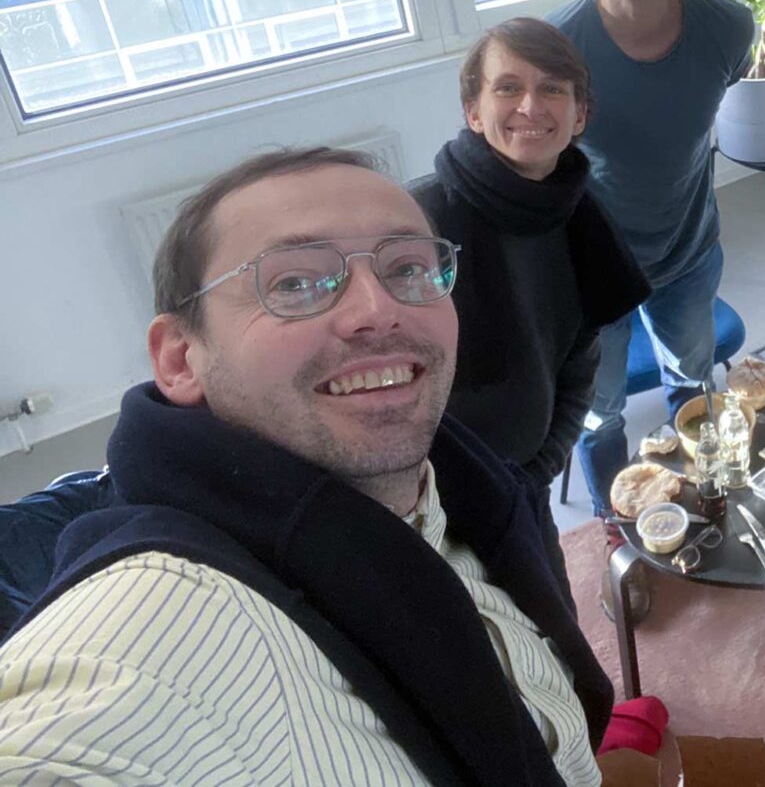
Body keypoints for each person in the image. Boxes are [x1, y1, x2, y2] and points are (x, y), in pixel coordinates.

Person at [0, 149, 612, 784]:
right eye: (293, 282)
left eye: (407, 267)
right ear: (181, 359)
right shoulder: (152, 638)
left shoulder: (471, 492)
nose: (377, 309)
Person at [548, 0, 755, 616]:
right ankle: (620, 538)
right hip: (593, 271)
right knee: (595, 411)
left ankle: (700, 508)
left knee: (694, 385)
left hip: (688, 254)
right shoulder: (560, 48)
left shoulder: (726, 28)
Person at [411, 17, 650, 608]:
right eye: (508, 87)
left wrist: (541, 466)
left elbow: (578, 360)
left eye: (552, 89)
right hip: (428, 503)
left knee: (553, 620)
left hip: (524, 483)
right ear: (473, 110)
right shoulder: (418, 223)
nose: (530, 106)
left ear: (579, 116)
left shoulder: (578, 216)